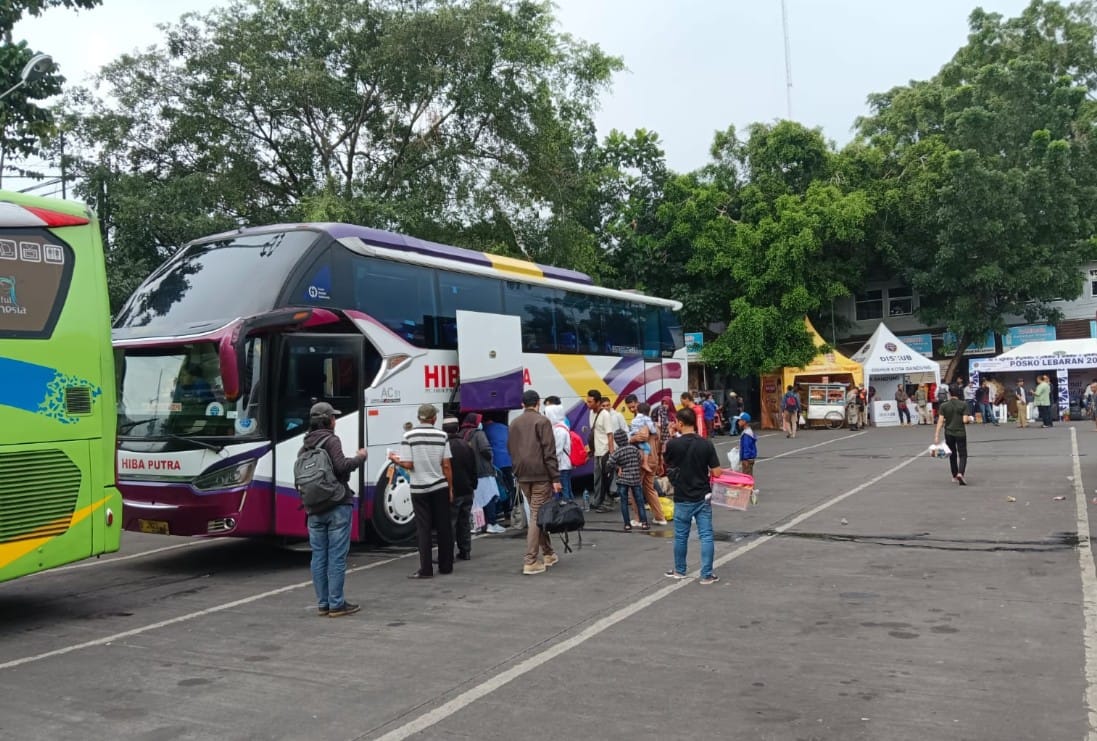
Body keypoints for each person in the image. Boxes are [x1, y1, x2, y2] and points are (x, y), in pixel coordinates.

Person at [301, 402, 366, 617]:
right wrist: (360, 458)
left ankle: (323, 603)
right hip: (337, 504)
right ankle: (337, 604)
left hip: (313, 507)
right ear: (329, 420)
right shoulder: (331, 440)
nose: (335, 421)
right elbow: (342, 467)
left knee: (318, 556)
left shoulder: (305, 445)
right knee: (336, 557)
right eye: (334, 417)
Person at [389, 404, 454, 579]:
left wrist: (395, 460)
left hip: (419, 489)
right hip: (439, 486)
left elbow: (409, 464)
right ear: (433, 418)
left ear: (419, 418)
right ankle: (446, 565)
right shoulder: (442, 436)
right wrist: (450, 489)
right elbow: (446, 465)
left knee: (424, 529)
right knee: (444, 527)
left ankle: (426, 569)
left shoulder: (408, 436)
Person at [663, 406, 722, 585]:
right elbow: (717, 472)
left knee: (681, 536)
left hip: (682, 496)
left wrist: (671, 434)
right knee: (706, 535)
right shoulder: (706, 443)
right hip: (702, 496)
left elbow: (666, 462)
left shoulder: (673, 444)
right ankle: (706, 574)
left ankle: (680, 570)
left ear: (680, 423)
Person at [508, 389, 562, 575]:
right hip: (541, 475)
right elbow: (549, 451)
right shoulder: (542, 421)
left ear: (522, 404)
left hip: (522, 475)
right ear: (538, 403)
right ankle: (531, 560)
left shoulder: (514, 423)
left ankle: (548, 553)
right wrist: (555, 477)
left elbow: (511, 449)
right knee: (536, 516)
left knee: (537, 514)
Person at [461, 413, 505, 534]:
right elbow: (485, 449)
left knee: (477, 500)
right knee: (489, 496)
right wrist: (490, 457)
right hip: (483, 471)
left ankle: (478, 524)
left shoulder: (462, 434)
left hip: (470, 473)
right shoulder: (479, 434)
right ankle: (491, 523)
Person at [625, 396, 666, 525]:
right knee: (649, 488)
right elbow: (660, 445)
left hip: (642, 459)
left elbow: (642, 436)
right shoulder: (655, 425)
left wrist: (630, 439)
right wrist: (660, 461)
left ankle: (638, 519)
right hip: (653, 459)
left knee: (634, 488)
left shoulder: (643, 425)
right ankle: (660, 517)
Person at [442, 417, 477, 561]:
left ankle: (447, 554)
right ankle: (465, 551)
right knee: (464, 522)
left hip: (453, 490)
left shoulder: (445, 447)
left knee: (450, 524)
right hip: (467, 489)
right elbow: (473, 467)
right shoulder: (466, 445)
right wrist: (473, 485)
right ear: (457, 428)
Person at [607, 429, 648, 531]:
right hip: (635, 478)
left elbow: (609, 463)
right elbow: (639, 459)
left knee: (624, 502)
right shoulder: (634, 449)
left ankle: (627, 524)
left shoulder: (618, 452)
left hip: (623, 480)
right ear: (626, 438)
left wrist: (618, 467)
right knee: (640, 501)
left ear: (616, 441)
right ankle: (644, 523)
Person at [934, 385, 971, 485]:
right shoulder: (963, 404)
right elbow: (964, 420)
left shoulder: (944, 406)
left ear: (949, 393)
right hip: (960, 433)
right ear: (960, 393)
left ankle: (954, 475)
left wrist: (936, 435)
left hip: (949, 433)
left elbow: (940, 421)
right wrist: (970, 419)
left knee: (952, 454)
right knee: (963, 454)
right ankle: (960, 473)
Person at [483, 413, 515, 525]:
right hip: (509, 461)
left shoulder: (485, 430)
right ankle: (509, 512)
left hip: (496, 463)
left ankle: (497, 512)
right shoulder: (504, 427)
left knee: (499, 489)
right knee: (509, 487)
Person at [586, 389, 614, 512]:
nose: (588, 404)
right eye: (587, 401)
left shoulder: (605, 415)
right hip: (597, 451)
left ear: (597, 402)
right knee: (597, 478)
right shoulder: (591, 413)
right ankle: (598, 501)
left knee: (605, 479)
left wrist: (612, 454)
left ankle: (607, 503)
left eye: (590, 402)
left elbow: (610, 435)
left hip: (605, 452)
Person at [545, 403, 574, 501]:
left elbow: (557, 450)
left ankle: (568, 511)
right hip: (564, 464)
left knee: (564, 490)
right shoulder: (561, 426)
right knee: (567, 488)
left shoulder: (559, 430)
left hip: (562, 465)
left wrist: (551, 464)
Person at [738, 412, 758, 476]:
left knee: (747, 476)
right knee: (748, 475)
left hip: (747, 459)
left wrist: (745, 459)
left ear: (744, 421)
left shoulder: (747, 434)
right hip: (749, 458)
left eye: (740, 420)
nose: (738, 422)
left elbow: (747, 447)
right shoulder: (747, 431)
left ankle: (750, 486)